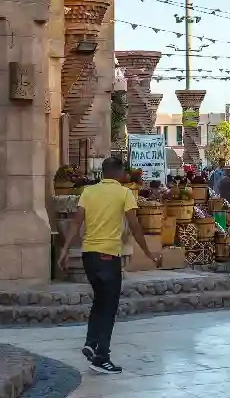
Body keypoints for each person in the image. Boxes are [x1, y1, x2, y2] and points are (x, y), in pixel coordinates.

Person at [56, 157, 160, 375]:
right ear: (119, 172)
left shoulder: (89, 192)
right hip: (108, 256)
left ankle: (91, 342)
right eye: (124, 171)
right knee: (109, 306)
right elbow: (134, 226)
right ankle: (101, 357)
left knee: (100, 301)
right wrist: (149, 252)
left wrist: (65, 249)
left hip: (89, 255)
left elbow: (76, 223)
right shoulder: (124, 194)